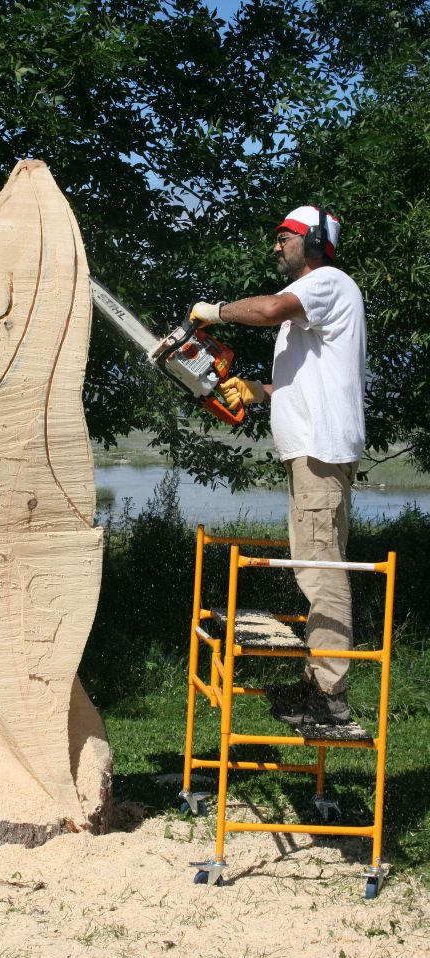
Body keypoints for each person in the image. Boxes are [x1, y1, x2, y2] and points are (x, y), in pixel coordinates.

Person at [190, 205, 366, 727]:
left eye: (284, 237)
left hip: (319, 453)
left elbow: (267, 309)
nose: (276, 246)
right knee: (316, 564)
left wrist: (215, 310)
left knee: (321, 570)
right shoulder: (314, 305)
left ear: (313, 240)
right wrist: (256, 391)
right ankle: (319, 684)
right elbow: (301, 382)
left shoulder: (326, 282)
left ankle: (329, 694)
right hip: (312, 453)